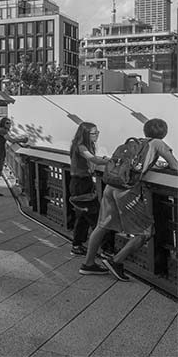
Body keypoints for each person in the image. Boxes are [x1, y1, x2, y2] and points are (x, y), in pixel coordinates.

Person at [80, 118, 178, 280]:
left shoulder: (136, 142)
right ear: (164, 132)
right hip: (126, 190)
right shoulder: (158, 143)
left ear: (145, 131)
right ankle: (116, 261)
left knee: (102, 225)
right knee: (146, 232)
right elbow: (175, 166)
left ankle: (88, 264)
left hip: (111, 186)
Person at [68, 122, 111, 256]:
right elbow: (93, 160)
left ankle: (77, 244)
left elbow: (92, 162)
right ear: (85, 134)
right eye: (93, 133)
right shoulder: (80, 146)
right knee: (96, 217)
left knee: (83, 216)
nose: (97, 135)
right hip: (80, 184)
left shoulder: (86, 145)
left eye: (97, 132)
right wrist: (111, 161)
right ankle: (106, 249)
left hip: (82, 183)